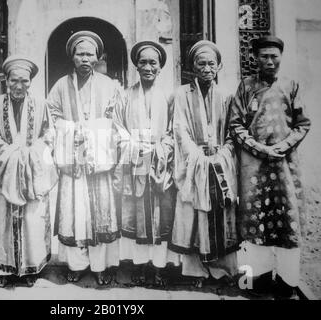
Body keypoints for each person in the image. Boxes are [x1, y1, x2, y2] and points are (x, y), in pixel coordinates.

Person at [230, 36, 311, 299]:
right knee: (256, 222)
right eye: (263, 56)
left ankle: (287, 283)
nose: (269, 61)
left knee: (288, 222)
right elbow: (235, 125)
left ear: (281, 57)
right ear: (255, 58)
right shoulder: (246, 86)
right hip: (253, 167)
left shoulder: (291, 85)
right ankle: (257, 280)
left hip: (285, 167)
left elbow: (303, 124)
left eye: (274, 56)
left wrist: (283, 146)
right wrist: (260, 149)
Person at [46, 31, 124, 285]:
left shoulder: (108, 85)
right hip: (74, 160)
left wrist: (93, 132)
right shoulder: (60, 85)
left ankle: (101, 265)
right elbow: (53, 115)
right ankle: (77, 264)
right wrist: (71, 131)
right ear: (72, 57)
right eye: (80, 53)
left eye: (90, 54)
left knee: (101, 211)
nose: (85, 58)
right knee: (75, 212)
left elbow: (115, 118)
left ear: (97, 56)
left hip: (98, 161)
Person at [169, 40, 239, 288]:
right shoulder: (181, 94)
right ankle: (195, 272)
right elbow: (180, 129)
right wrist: (197, 157)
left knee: (220, 214)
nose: (207, 68)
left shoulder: (227, 95)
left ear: (218, 66)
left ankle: (222, 271)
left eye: (211, 63)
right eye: (202, 63)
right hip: (194, 164)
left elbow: (233, 130)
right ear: (193, 66)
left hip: (219, 162)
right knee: (194, 215)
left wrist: (222, 155)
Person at [0, 55, 56, 288]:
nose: (19, 86)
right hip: (5, 171)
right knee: (2, 218)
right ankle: (2, 269)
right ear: (6, 80)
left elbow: (49, 135)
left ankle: (31, 267)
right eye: (14, 81)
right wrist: (13, 154)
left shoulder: (41, 104)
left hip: (32, 173)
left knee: (33, 219)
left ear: (30, 82)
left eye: (24, 81)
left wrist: (32, 152)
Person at [114, 41, 179, 287]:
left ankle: (160, 267)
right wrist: (133, 146)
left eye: (153, 62)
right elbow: (118, 128)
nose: (148, 67)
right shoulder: (126, 95)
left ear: (160, 67)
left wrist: (162, 149)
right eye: (143, 62)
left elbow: (175, 130)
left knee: (161, 215)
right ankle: (139, 265)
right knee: (136, 214)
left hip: (162, 166)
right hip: (135, 163)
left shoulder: (169, 96)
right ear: (136, 66)